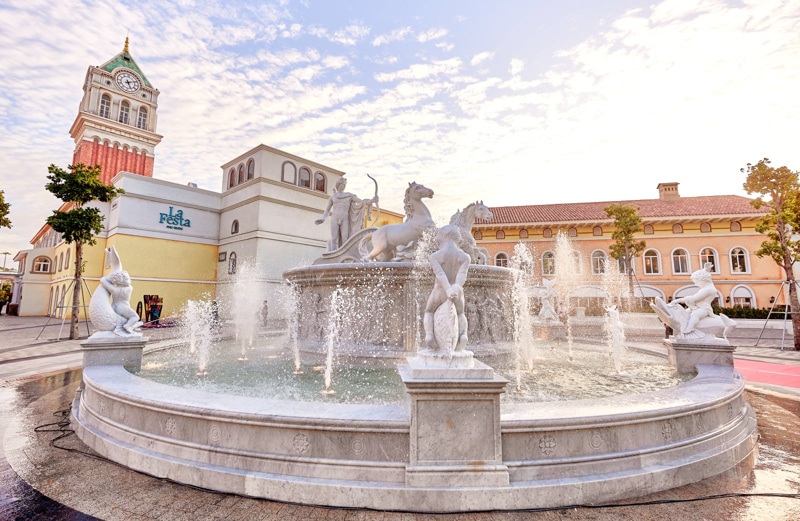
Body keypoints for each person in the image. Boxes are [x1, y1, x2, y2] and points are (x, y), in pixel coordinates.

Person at [424, 225, 471, 351]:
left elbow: (440, 274)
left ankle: (429, 336)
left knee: (429, 312)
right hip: (458, 291)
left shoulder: (435, 256)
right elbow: (462, 274)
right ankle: (463, 335)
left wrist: (448, 289)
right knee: (461, 313)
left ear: (441, 237)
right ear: (458, 239)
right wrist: (455, 287)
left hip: (440, 290)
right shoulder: (465, 257)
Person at [315, 177, 377, 251]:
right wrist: (323, 218)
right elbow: (327, 210)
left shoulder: (349, 196)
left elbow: (361, 202)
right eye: (342, 184)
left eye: (344, 184)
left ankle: (344, 256)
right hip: (334, 218)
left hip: (345, 219)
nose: (343, 186)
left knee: (345, 240)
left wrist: (371, 201)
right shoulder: (333, 197)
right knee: (334, 239)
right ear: (338, 185)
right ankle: (333, 255)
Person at [669, 262, 717, 334]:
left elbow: (694, 299)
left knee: (695, 315)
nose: (696, 284)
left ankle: (690, 328)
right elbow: (704, 276)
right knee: (684, 314)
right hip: (696, 306)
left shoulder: (708, 290)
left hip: (704, 308)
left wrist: (678, 300)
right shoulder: (708, 285)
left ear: (702, 280)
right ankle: (681, 328)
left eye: (696, 282)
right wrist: (706, 270)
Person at [99, 270, 142, 334]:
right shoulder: (129, 288)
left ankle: (131, 327)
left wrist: (109, 277)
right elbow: (128, 283)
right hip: (123, 307)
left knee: (124, 319)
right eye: (127, 278)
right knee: (135, 317)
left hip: (114, 307)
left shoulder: (113, 289)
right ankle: (128, 326)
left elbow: (102, 280)